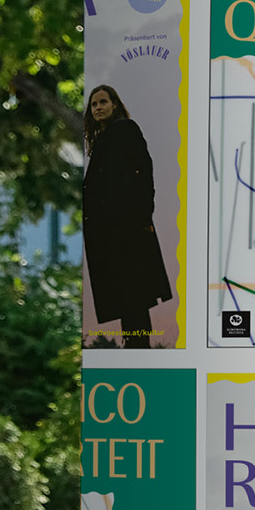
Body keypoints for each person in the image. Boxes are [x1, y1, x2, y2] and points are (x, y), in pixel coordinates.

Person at [82, 83, 174, 348]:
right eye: (94, 104)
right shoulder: (104, 139)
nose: (98, 107)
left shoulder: (124, 129)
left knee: (133, 296)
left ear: (114, 105)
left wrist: (143, 216)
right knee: (128, 298)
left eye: (103, 102)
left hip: (127, 229)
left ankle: (137, 349)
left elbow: (144, 170)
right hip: (112, 232)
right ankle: (135, 347)